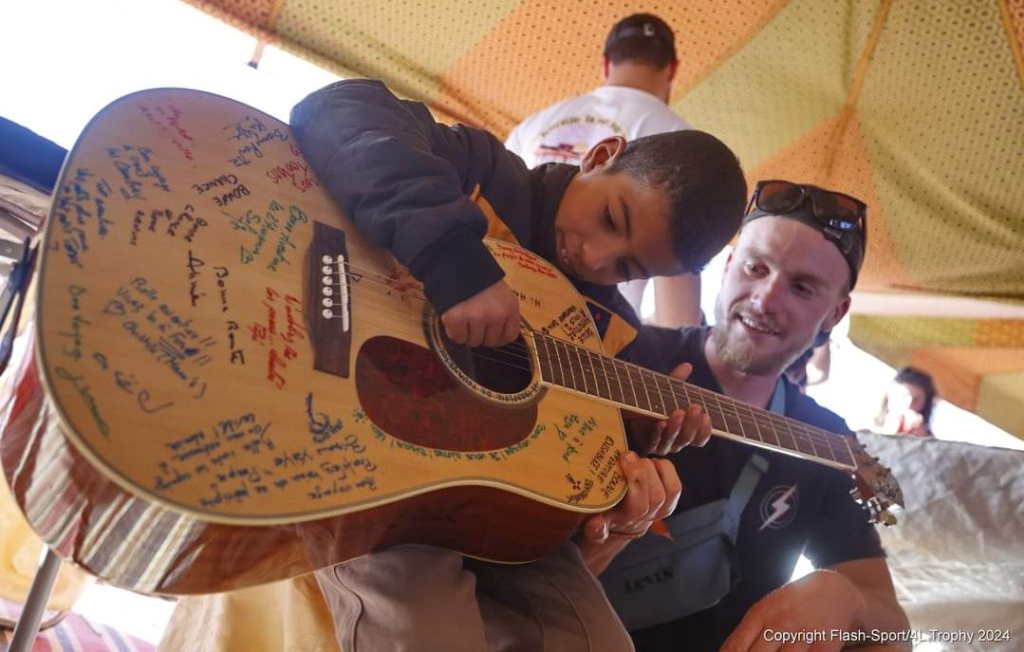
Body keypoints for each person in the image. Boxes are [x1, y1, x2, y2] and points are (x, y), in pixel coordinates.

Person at [289, 78, 748, 651]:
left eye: (628, 269)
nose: (595, 258)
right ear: (600, 156)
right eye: (612, 218)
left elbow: (572, 466)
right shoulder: (485, 177)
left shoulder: (611, 333)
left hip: (492, 513)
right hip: (374, 470)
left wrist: (636, 436)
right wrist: (457, 264)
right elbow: (337, 109)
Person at [600, 180, 910, 651]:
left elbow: (893, 628)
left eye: (801, 287)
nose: (765, 299)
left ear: (835, 314)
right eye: (755, 267)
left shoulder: (826, 441)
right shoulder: (625, 355)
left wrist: (846, 599)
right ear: (728, 267)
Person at [506, 12, 703, 328]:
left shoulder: (533, 124)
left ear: (607, 63)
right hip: (583, 334)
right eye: (610, 217)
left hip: (494, 298)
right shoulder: (678, 145)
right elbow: (678, 312)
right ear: (673, 69)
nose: (591, 256)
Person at [875, 367, 937, 437]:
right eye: (903, 396)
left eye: (916, 400)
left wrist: (921, 438)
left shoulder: (927, 438)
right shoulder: (869, 428)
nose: (909, 405)